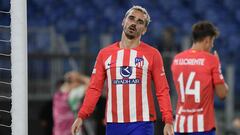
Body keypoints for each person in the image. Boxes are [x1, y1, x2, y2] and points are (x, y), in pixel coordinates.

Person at [72, 5, 174, 135]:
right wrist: (82, 116)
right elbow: (94, 88)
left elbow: (162, 90)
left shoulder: (153, 54)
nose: (134, 23)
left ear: (144, 30)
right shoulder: (105, 54)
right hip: (114, 124)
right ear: (123, 21)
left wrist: (168, 120)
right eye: (131, 18)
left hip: (142, 123)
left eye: (140, 22)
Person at [171, 21, 229, 134]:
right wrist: (218, 67)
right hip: (202, 127)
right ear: (207, 40)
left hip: (180, 125)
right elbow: (222, 94)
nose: (212, 46)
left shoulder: (177, 59)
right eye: (212, 42)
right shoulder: (211, 60)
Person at [53, 71, 89, 135]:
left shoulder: (58, 94)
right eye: (79, 82)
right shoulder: (73, 94)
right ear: (73, 83)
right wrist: (79, 77)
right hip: (71, 131)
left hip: (59, 131)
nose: (80, 84)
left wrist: (71, 77)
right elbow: (93, 84)